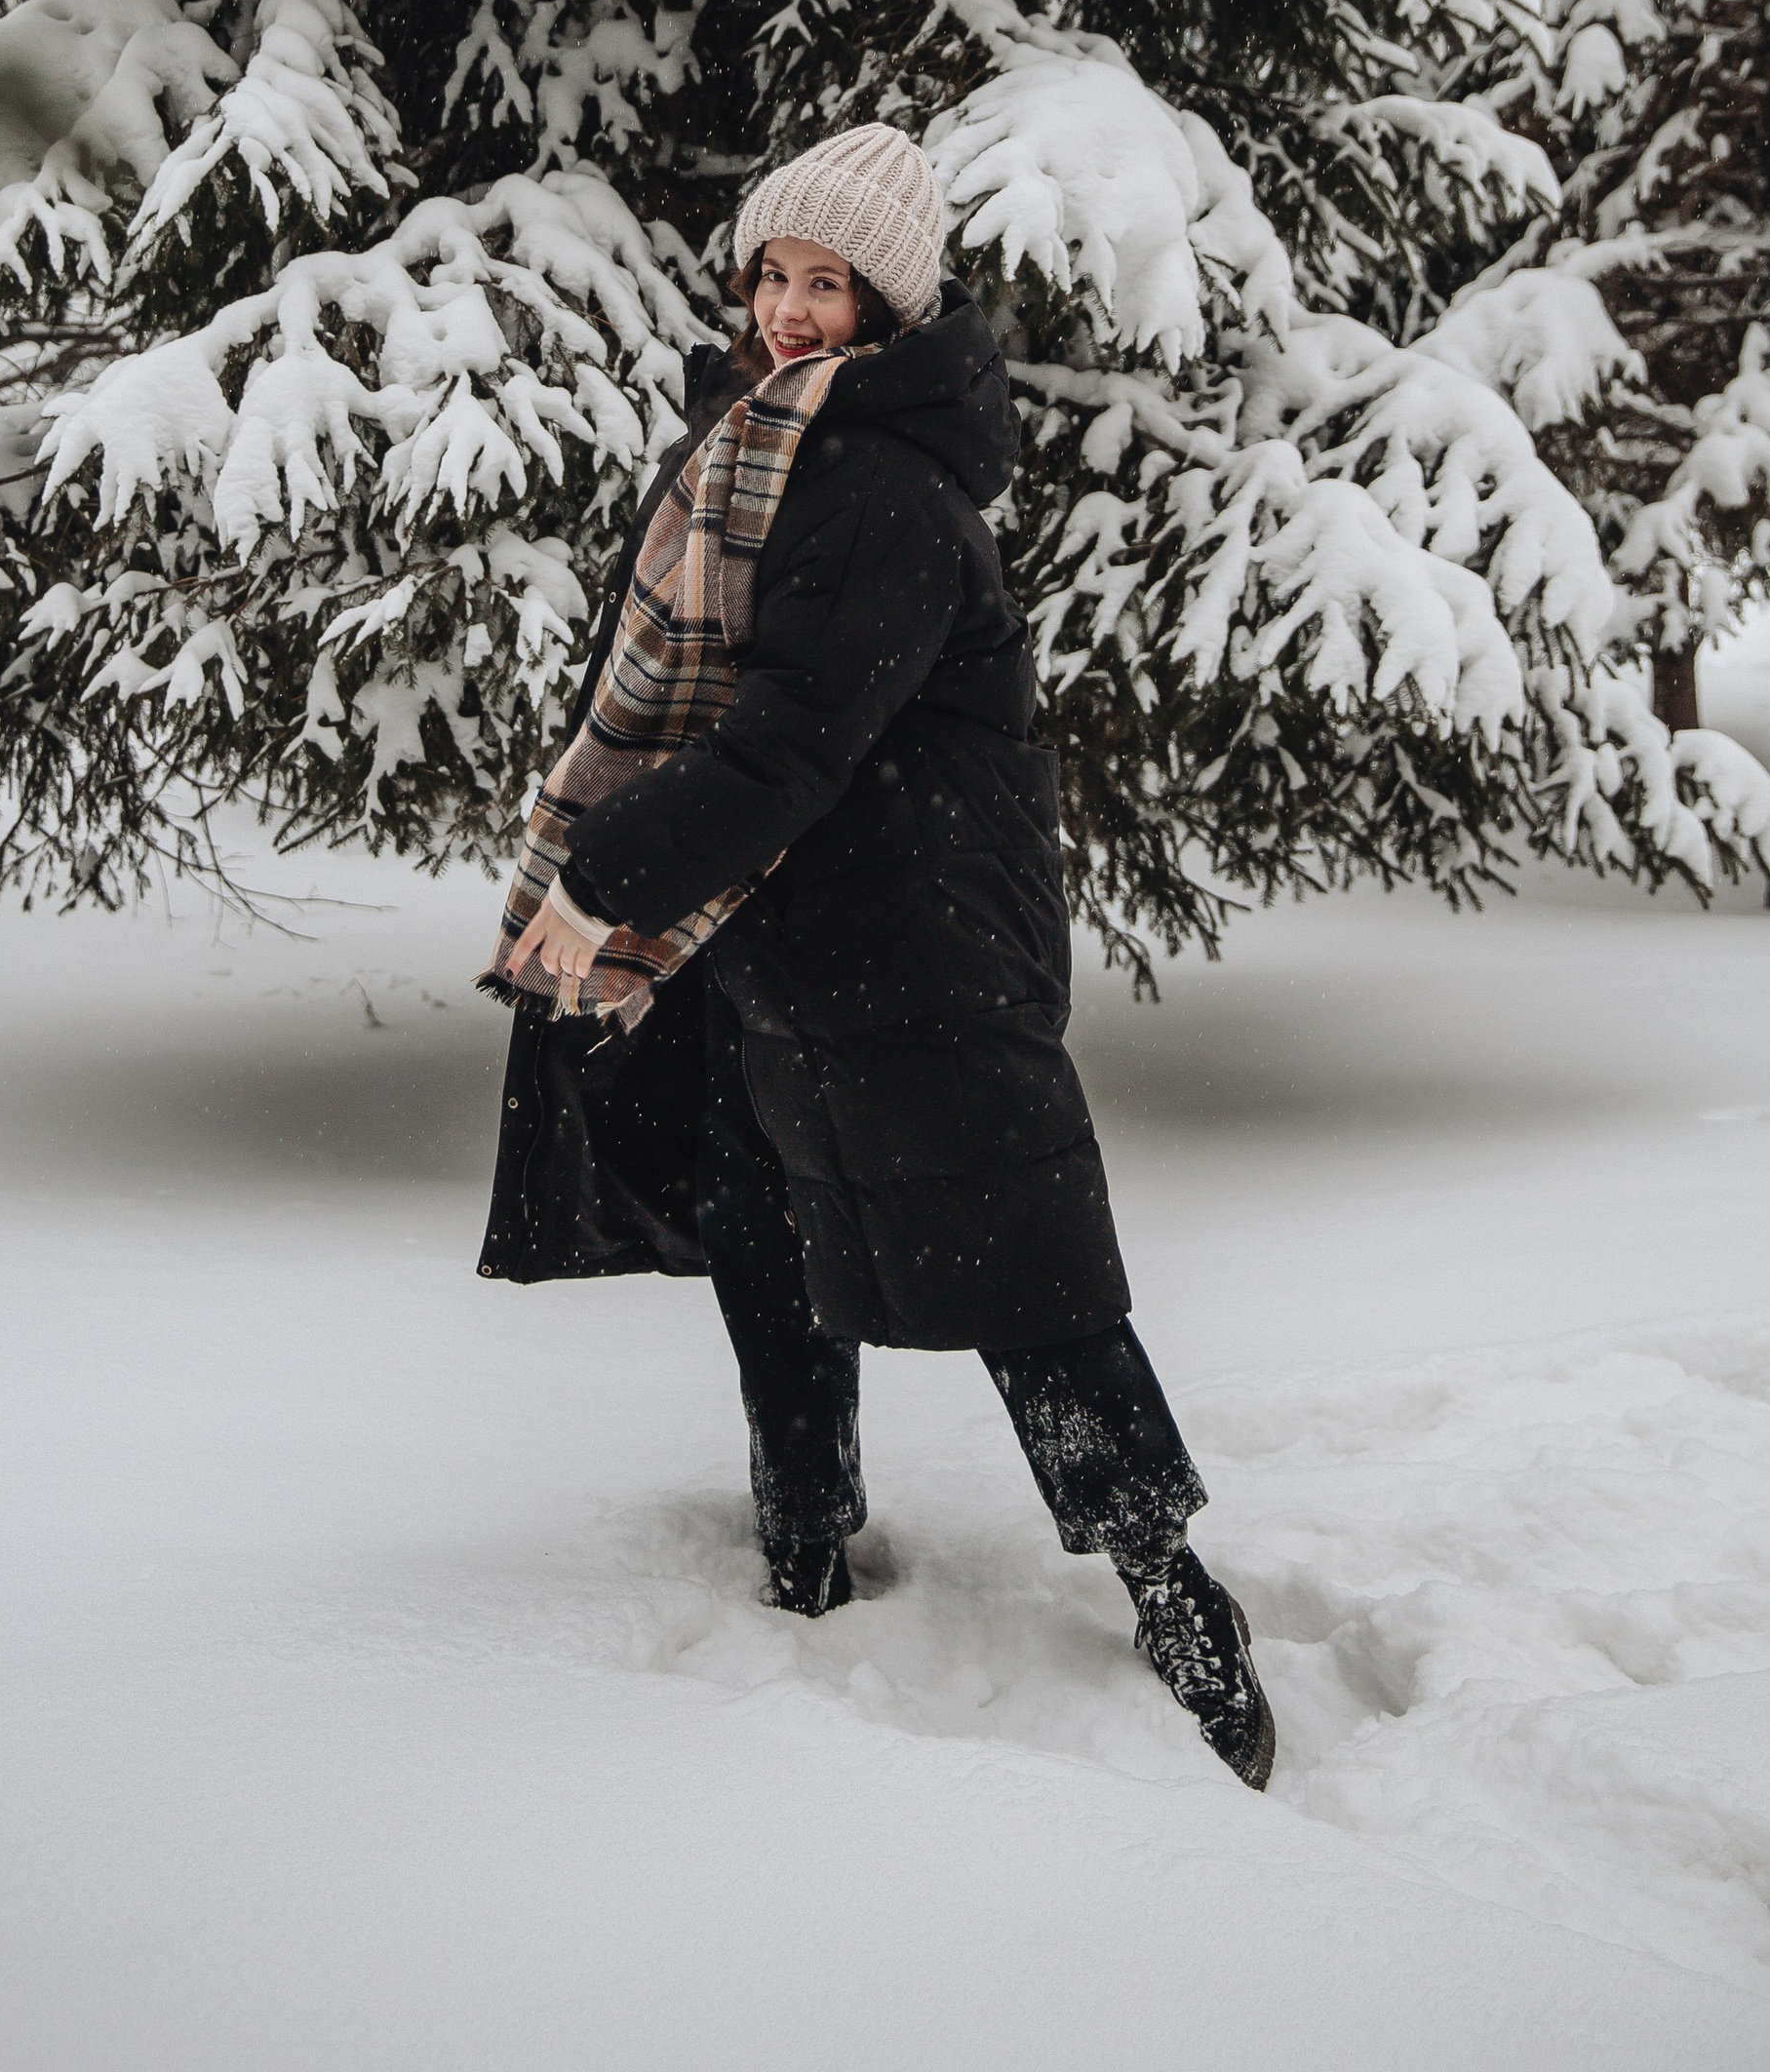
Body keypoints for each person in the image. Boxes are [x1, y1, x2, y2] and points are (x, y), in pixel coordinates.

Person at [478, 121, 1274, 1786]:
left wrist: (601, 881)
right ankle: (806, 1541)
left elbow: (787, 744)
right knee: (772, 1247)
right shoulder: (747, 454)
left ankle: (1169, 1582)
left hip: (923, 943)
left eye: (824, 282)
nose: (784, 307)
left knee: (1025, 1272)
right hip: (770, 933)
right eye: (771, 272)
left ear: (887, 307)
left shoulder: (895, 498)